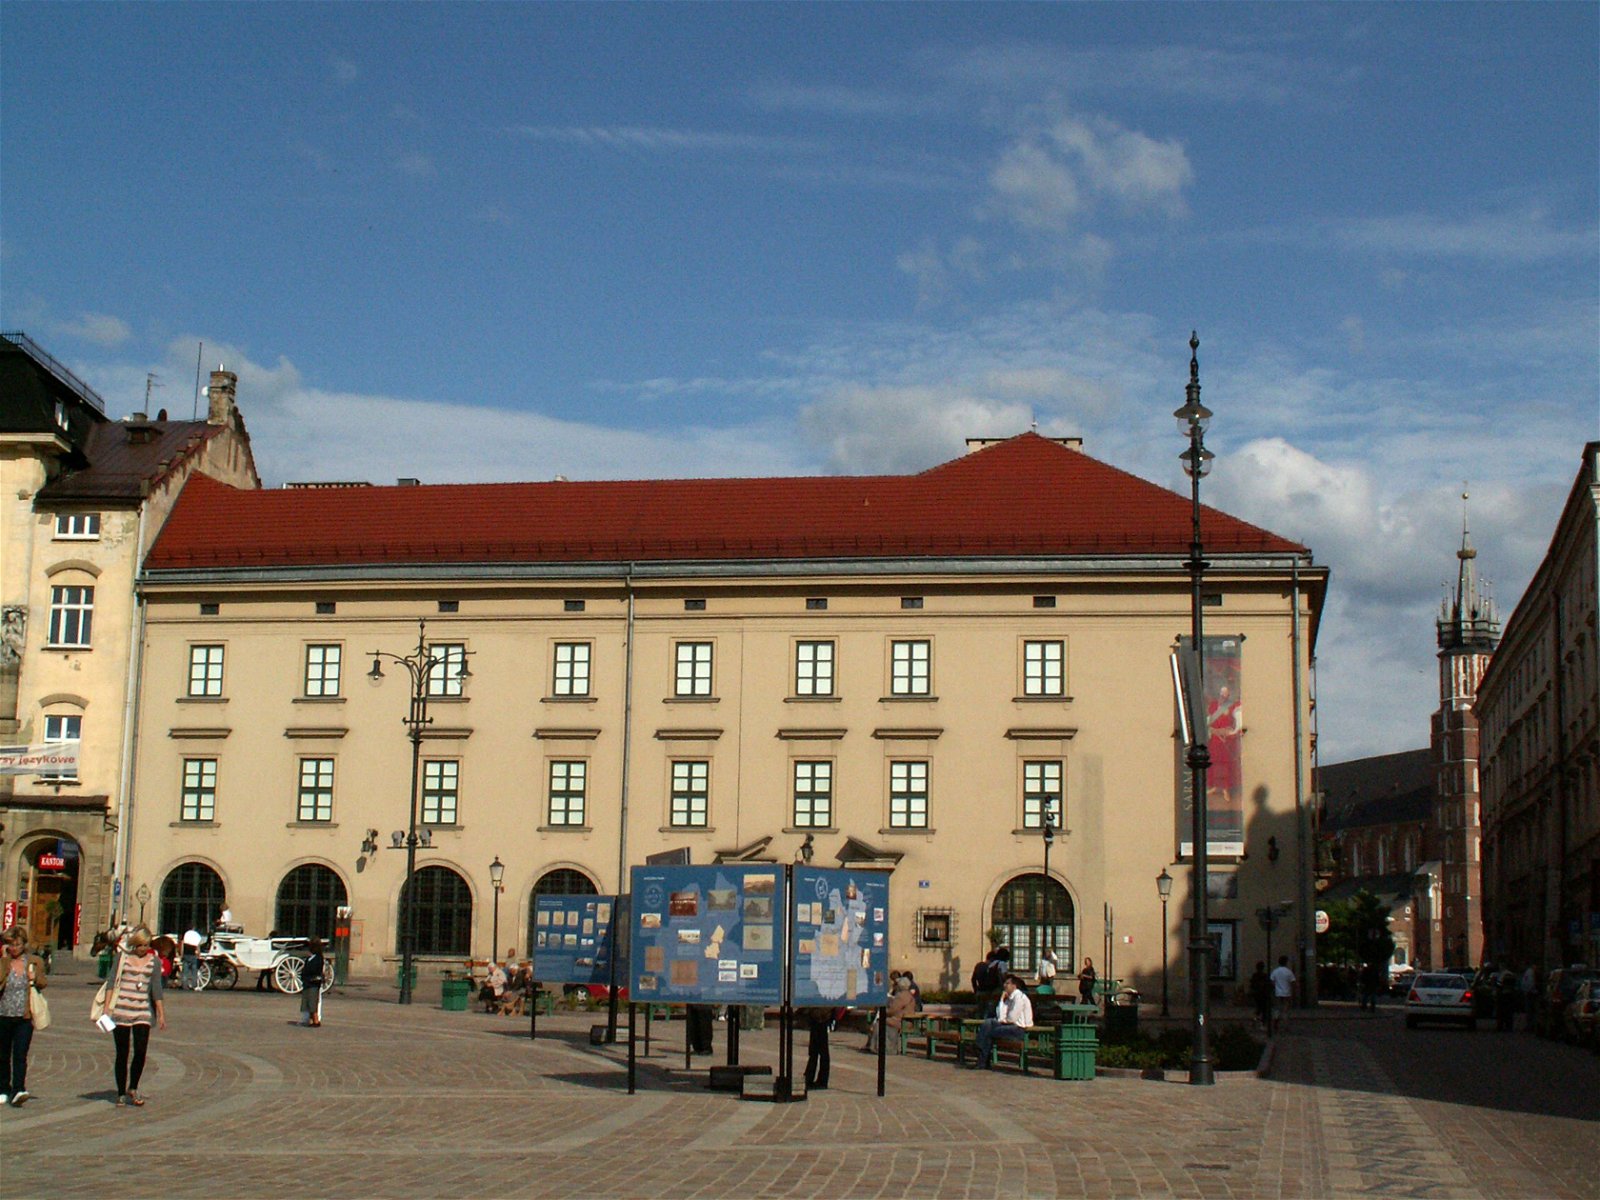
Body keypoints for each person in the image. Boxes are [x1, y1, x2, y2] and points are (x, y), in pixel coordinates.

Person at [108, 926, 167, 1107]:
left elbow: (156, 988)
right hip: (121, 1011)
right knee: (122, 1052)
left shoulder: (154, 961)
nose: (143, 949)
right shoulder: (122, 958)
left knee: (140, 1051)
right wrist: (107, 1010)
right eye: (140, 945)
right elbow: (111, 983)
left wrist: (161, 1013)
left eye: (146, 945)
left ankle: (133, 1087)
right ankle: (120, 1092)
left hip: (143, 1011)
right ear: (134, 944)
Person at [0, 927, 49, 1107]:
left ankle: (18, 1089)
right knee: (3, 1055)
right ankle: (3, 1089)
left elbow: (43, 983)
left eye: (18, 944)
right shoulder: (3, 962)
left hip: (24, 1016)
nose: (14, 948)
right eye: (11, 945)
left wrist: (34, 977)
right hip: (3, 1014)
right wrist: (4, 959)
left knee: (20, 1055)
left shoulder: (34, 962)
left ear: (24, 944)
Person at [972, 974, 1034, 1068]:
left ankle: (980, 1054)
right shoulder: (1009, 998)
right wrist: (1001, 1000)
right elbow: (1000, 1016)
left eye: (1007, 983)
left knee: (989, 1033)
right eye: (1004, 983)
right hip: (1009, 1026)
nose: (1004, 985)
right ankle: (979, 1051)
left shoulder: (1019, 998)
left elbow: (1012, 1018)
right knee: (989, 1022)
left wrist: (1004, 1020)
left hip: (1019, 1029)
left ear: (1014, 986)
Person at [865, 976, 918, 1053]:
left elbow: (892, 1010)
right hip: (906, 1021)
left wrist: (884, 1011)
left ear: (900, 986)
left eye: (896, 984)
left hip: (901, 1021)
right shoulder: (909, 995)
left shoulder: (901, 996)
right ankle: (876, 1046)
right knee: (881, 1021)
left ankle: (879, 1047)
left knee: (879, 1023)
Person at [297, 938, 325, 1027]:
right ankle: (310, 1020)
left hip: (313, 982)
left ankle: (316, 1021)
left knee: (312, 1002)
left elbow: (315, 969)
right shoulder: (310, 958)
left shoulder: (318, 958)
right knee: (307, 1001)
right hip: (308, 982)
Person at [803, 1007, 832, 1090]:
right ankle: (811, 1078)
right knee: (815, 1051)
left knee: (821, 1051)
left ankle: (820, 1080)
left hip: (821, 1017)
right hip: (818, 1016)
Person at [1269, 955, 1296, 1027]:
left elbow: (1271, 981)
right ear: (1286, 962)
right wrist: (1293, 992)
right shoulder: (1289, 972)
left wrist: (1275, 987)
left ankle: (1276, 1020)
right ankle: (1286, 1024)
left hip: (1277, 993)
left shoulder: (1275, 971)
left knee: (1277, 1008)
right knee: (1285, 1010)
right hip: (1287, 993)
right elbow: (1293, 982)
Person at [1249, 961, 1273, 1033]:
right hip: (1263, 995)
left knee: (1258, 1009)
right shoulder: (1265, 976)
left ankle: (1254, 1020)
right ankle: (1262, 1024)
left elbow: (1252, 985)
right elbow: (1269, 985)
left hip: (1257, 995)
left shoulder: (1254, 975)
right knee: (1264, 1010)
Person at [180, 927, 204, 991]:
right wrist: (199, 955)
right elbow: (198, 947)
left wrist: (181, 954)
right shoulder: (196, 935)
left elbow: (182, 945)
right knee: (194, 971)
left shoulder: (186, 934)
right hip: (193, 955)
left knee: (185, 971)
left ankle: (184, 985)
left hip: (186, 954)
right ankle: (194, 985)